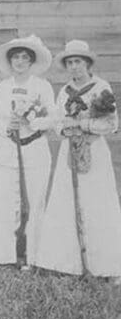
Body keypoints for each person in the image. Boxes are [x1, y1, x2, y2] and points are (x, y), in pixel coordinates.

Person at [35, 40, 121, 279]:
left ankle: (106, 265)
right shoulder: (64, 91)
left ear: (88, 63)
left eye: (78, 62)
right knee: (66, 201)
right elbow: (57, 121)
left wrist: (82, 125)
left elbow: (111, 124)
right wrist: (65, 130)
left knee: (96, 202)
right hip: (69, 151)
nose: (74, 67)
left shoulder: (100, 87)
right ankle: (65, 263)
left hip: (94, 151)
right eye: (70, 62)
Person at [0, 35, 55, 268]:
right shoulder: (3, 87)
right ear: (10, 61)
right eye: (15, 57)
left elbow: (51, 119)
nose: (20, 61)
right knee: (5, 200)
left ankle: (34, 254)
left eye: (25, 57)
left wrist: (32, 121)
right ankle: (4, 254)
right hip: (8, 149)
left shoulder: (42, 86)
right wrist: (9, 127)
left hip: (35, 148)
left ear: (31, 61)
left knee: (35, 200)